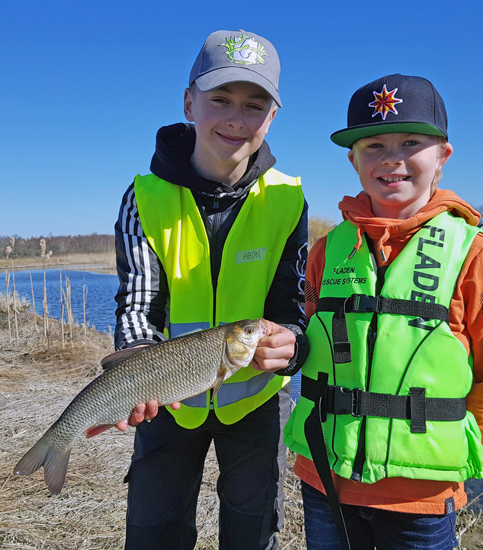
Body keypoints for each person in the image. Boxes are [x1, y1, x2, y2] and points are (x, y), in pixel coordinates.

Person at [283, 74, 483, 550]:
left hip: (422, 495)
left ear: (442, 157)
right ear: (353, 160)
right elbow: (307, 342)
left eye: (411, 142)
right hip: (323, 476)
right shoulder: (327, 250)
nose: (391, 157)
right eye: (373, 145)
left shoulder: (477, 254)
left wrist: (459, 458)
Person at [112, 30, 309, 550]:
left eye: (254, 104)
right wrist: (136, 361)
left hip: (255, 404)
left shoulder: (289, 199)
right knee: (154, 532)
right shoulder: (144, 197)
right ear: (188, 102)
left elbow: (292, 307)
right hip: (169, 396)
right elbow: (138, 305)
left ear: (271, 117)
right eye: (220, 99)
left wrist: (289, 346)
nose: (235, 118)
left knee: (250, 534)